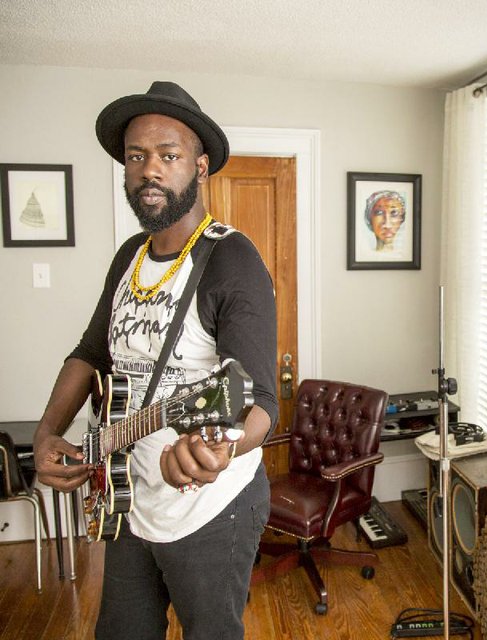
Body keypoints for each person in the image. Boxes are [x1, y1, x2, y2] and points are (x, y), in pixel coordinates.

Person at [32, 81, 278, 640]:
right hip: (127, 487)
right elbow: (89, 353)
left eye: (169, 156)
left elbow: (260, 401)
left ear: (200, 166)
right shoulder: (129, 257)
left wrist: (220, 447)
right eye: (137, 157)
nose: (151, 170)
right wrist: (50, 431)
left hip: (211, 505)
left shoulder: (231, 260)